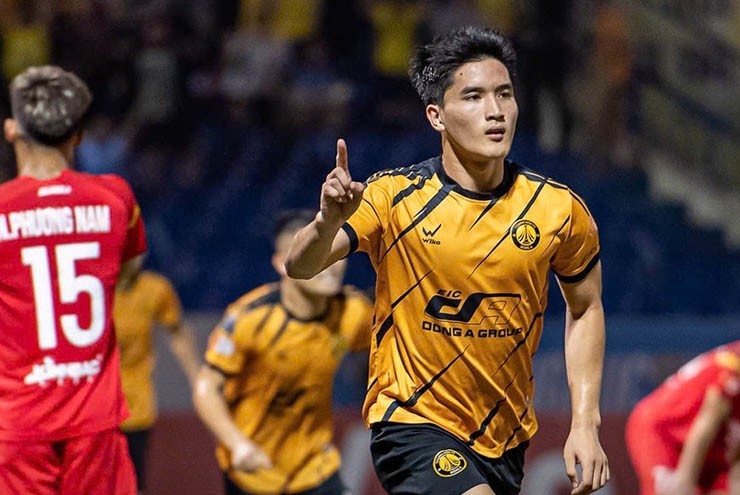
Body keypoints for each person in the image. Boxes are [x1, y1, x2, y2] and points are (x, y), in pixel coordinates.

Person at [285, 25, 609, 495]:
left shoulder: (558, 209)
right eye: (474, 97)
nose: (495, 111)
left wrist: (585, 423)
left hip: (504, 437)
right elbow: (300, 265)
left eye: (504, 94)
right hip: (410, 422)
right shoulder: (393, 198)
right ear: (436, 116)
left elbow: (586, 308)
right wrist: (326, 221)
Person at [0, 66, 146, 494]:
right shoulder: (116, 198)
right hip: (95, 426)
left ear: (11, 130)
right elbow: (129, 269)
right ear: (79, 135)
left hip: (19, 426)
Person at [193, 209, 373, 495]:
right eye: (313, 254)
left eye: (334, 253)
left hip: (316, 469)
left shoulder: (355, 313)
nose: (329, 265)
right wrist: (237, 444)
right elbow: (207, 386)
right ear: (282, 263)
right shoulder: (250, 318)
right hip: (255, 472)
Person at [114, 259, 201, 494]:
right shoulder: (86, 288)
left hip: (134, 407)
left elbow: (178, 332)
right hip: (90, 408)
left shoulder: (155, 289)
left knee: (132, 483)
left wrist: (198, 381)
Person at [626, 341, 740, 495]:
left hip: (710, 444)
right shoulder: (734, 363)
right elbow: (709, 418)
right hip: (663, 430)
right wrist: (685, 479)